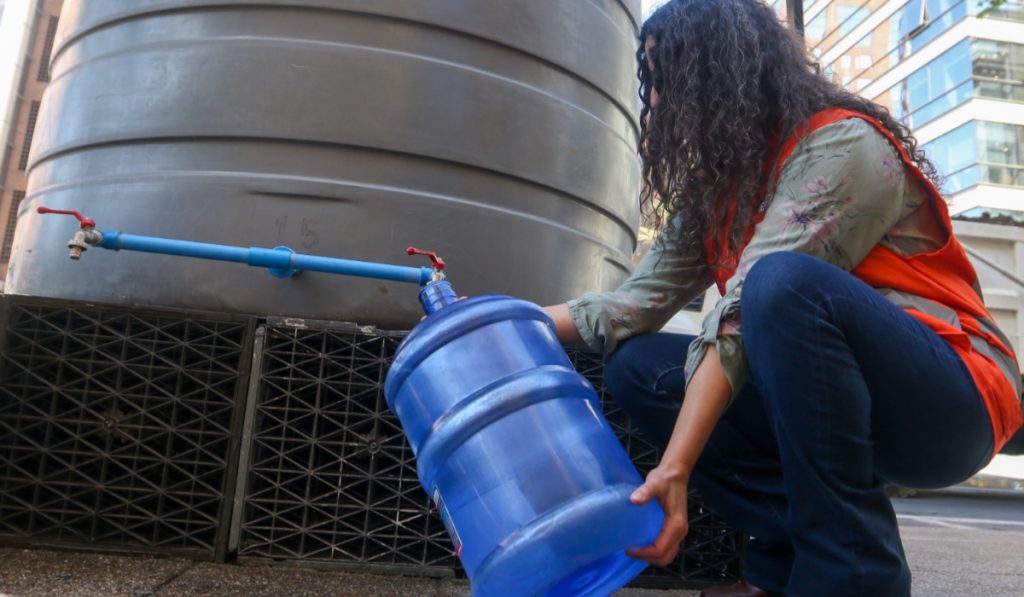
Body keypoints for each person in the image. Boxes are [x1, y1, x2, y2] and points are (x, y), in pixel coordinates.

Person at [541, 1, 1024, 596]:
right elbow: (630, 306)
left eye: (664, 76)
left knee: (780, 285)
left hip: (953, 398)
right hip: (835, 398)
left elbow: (746, 309)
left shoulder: (843, 143)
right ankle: (784, 564)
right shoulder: (719, 191)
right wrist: (494, 326)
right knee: (640, 366)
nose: (656, 101)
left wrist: (675, 468)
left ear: (719, 72)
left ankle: (851, 576)